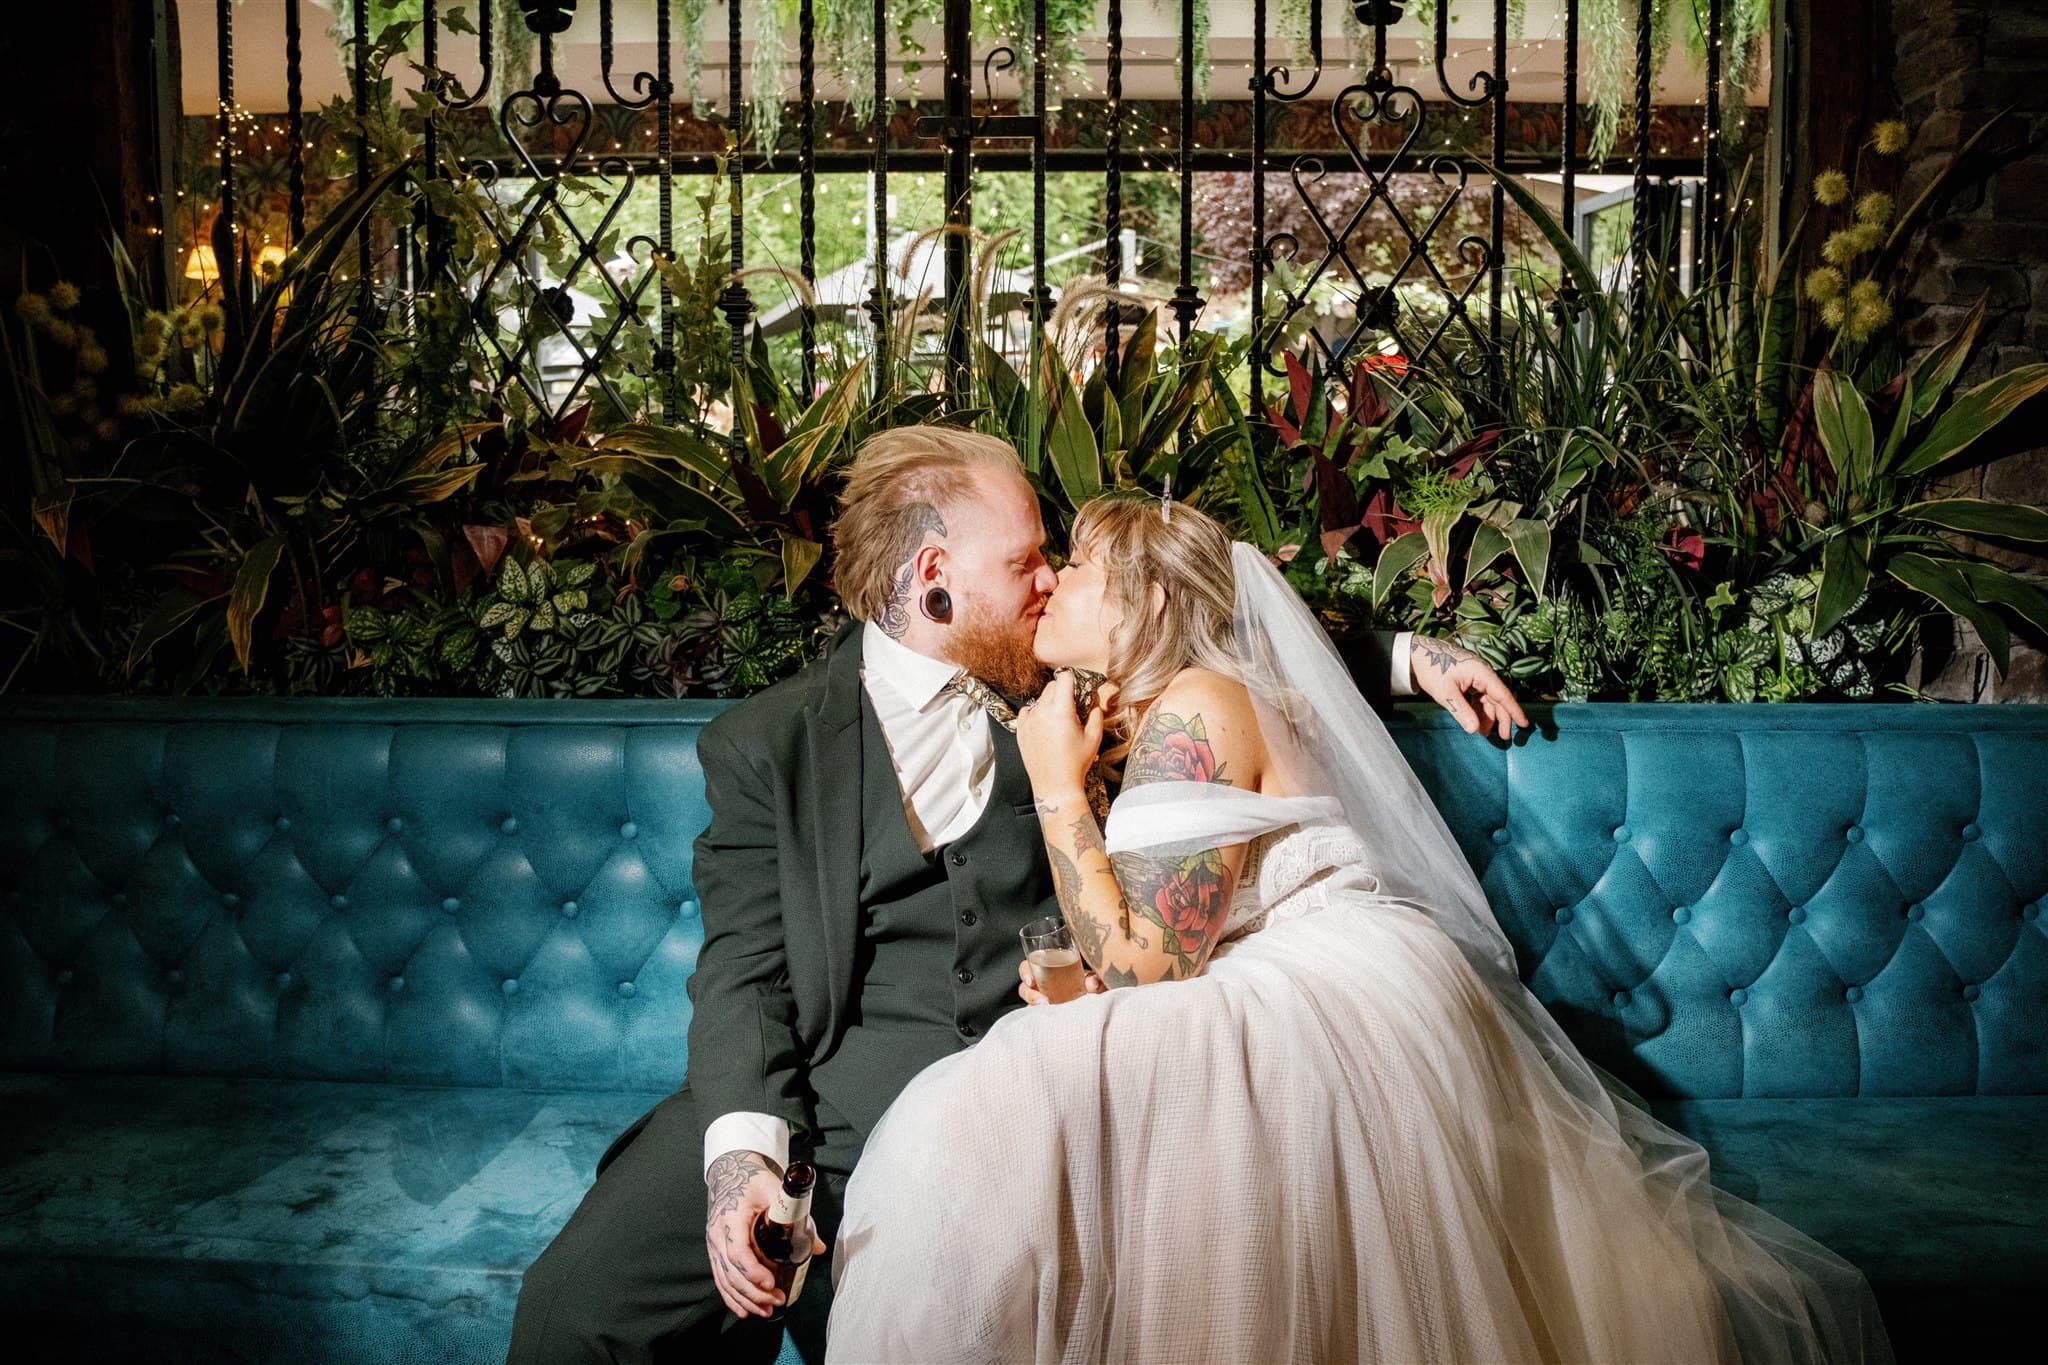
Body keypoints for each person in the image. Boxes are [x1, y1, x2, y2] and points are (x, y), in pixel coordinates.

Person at [505, 427, 1525, 1364]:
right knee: (571, 1312)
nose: (1048, 583)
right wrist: (742, 1164)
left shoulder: (1069, 693)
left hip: (992, 1114)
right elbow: (742, 972)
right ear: (934, 576)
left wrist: (1403, 657)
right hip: (797, 1095)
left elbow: (1199, 637)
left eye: (1055, 562)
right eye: (1026, 561)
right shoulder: (765, 745)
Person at [823, 493, 1894, 1364]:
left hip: (1329, 1002)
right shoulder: (1178, 701)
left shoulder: (1195, 709)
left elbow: (1152, 965)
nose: (1052, 579)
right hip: (1310, 973)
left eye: (1081, 568)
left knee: (969, 1114)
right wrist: (1097, 974)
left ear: (1144, 602)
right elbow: (1163, 940)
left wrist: (1056, 789)